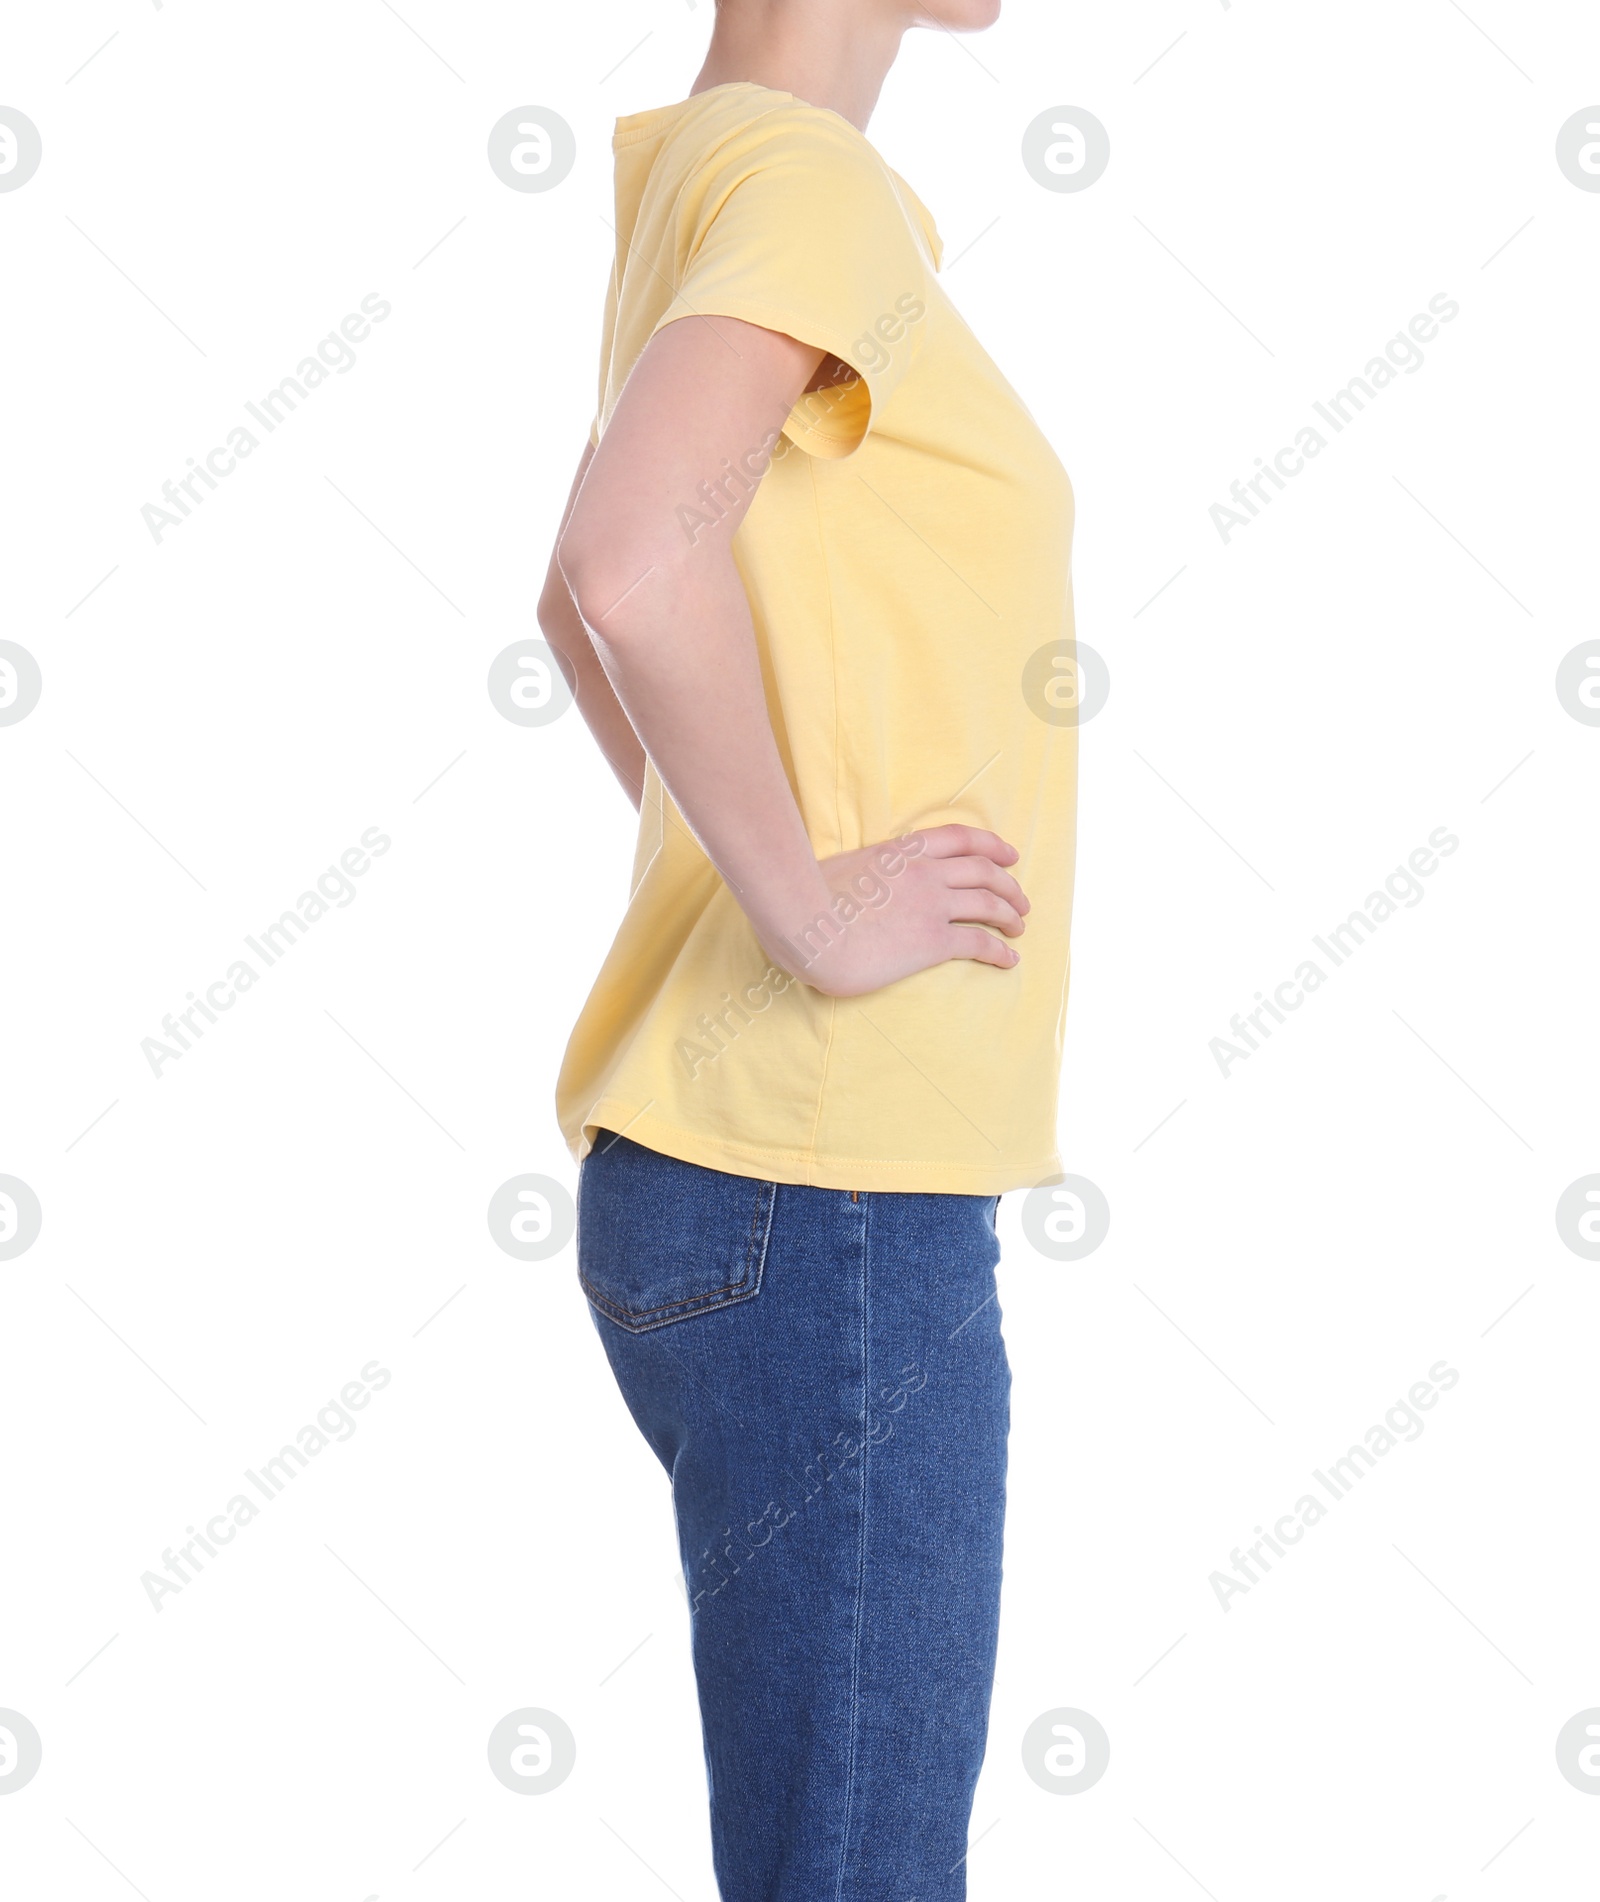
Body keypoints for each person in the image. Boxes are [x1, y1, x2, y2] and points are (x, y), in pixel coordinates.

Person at [537, 1, 1077, 1894]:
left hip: (752, 1183)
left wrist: (744, 867)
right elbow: (622, 564)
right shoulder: (807, 182)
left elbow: (582, 583)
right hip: (826, 1187)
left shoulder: (707, 163)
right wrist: (810, 906)